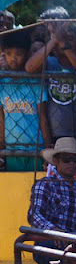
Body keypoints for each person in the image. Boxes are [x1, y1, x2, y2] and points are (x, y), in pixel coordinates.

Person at [28, 137, 76, 264]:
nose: (72, 163)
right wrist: (54, 231)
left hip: (70, 245)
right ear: (56, 161)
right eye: (67, 159)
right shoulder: (44, 184)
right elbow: (34, 215)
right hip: (47, 242)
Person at [24, 7, 76, 145]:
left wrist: (63, 42)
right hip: (54, 132)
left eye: (69, 39)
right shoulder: (49, 62)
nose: (63, 42)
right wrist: (55, 40)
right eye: (59, 39)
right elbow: (29, 67)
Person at [0, 29, 51, 171]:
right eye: (9, 54)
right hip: (12, 149)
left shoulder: (34, 82)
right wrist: (1, 148)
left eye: (19, 54)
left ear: (28, 54)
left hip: (36, 147)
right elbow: (1, 118)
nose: (13, 59)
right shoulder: (2, 82)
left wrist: (48, 149)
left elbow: (43, 117)